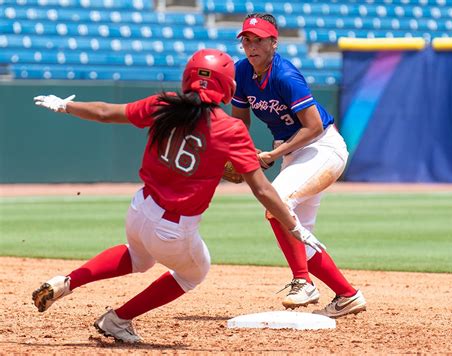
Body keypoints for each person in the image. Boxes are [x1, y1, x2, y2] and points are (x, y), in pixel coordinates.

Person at [31, 48, 326, 343]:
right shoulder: (230, 129)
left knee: (138, 257)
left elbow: (107, 112)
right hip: (172, 229)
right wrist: (294, 226)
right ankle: (117, 319)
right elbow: (261, 188)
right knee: (193, 273)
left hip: (139, 209)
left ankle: (68, 282)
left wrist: (65, 106)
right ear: (228, 87)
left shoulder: (164, 104)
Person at [231, 13, 366, 318]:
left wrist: (273, 156)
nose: (252, 47)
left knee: (276, 205)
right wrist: (246, 151)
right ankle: (347, 295)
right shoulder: (241, 72)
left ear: (273, 42)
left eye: (259, 40)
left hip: (322, 148)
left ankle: (302, 282)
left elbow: (314, 126)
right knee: (296, 231)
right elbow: (239, 120)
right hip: (292, 153)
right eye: (247, 41)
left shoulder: (285, 76)